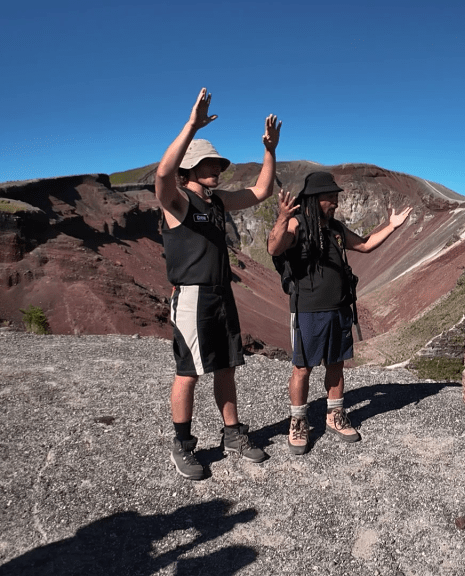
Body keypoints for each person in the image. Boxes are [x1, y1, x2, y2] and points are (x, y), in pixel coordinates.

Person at [155, 88, 281, 480]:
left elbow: (260, 192)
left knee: (226, 366)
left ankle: (231, 434)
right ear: (189, 170)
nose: (217, 168)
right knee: (189, 371)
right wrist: (192, 125)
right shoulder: (177, 202)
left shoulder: (218, 202)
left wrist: (270, 151)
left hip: (221, 293)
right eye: (207, 163)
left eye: (217, 162)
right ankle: (183, 444)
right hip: (191, 294)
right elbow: (162, 174)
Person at [267, 172, 411, 455]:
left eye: (335, 196)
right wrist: (283, 217)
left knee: (336, 364)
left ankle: (334, 415)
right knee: (302, 367)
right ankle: (297, 421)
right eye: (329, 197)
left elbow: (366, 245)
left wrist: (392, 226)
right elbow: (274, 246)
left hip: (339, 308)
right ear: (314, 199)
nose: (335, 201)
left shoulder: (335, 228)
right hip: (308, 310)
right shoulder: (297, 224)